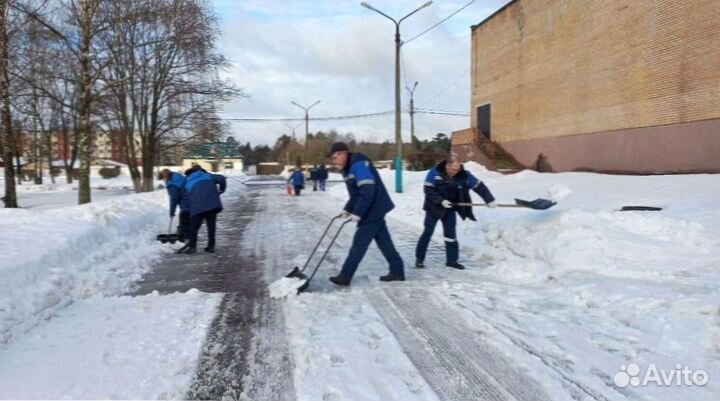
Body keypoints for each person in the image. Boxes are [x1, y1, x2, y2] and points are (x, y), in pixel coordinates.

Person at [327, 142, 404, 285]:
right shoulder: (348, 168)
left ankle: (345, 275)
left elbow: (368, 190)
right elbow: (356, 194)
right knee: (384, 242)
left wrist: (358, 213)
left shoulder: (359, 164)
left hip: (373, 208)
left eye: (334, 157)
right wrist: (348, 209)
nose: (334, 161)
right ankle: (397, 271)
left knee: (359, 244)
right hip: (373, 208)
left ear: (343, 153)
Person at [415, 155, 497, 270]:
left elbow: (479, 186)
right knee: (427, 233)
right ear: (447, 166)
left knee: (450, 236)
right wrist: (441, 201)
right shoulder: (434, 172)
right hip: (433, 208)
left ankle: (452, 260)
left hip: (450, 209)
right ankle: (419, 259)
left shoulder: (463, 174)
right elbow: (428, 190)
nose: (456, 172)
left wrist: (489, 199)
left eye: (458, 169)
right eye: (454, 169)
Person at [176, 165, 226, 254]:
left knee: (193, 228)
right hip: (212, 206)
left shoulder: (188, 183)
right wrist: (221, 190)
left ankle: (192, 247)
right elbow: (222, 178)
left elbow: (186, 200)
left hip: (197, 208)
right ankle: (211, 247)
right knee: (211, 227)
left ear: (189, 175)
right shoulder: (208, 176)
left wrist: (186, 211)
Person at [159, 168, 190, 242]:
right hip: (192, 198)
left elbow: (174, 199)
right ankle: (186, 235)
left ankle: (185, 237)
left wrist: (172, 212)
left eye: (163, 178)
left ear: (165, 177)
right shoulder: (178, 177)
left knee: (184, 217)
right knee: (187, 218)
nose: (163, 181)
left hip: (186, 201)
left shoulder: (172, 185)